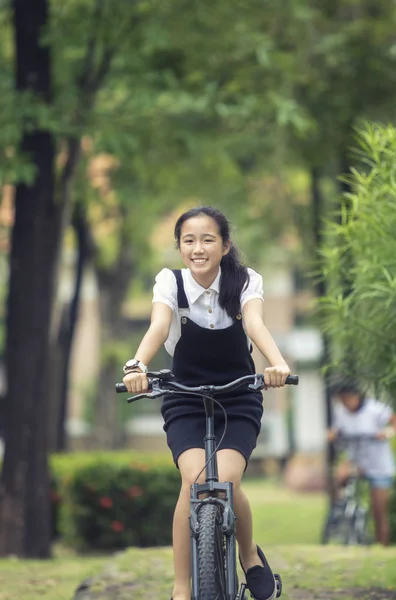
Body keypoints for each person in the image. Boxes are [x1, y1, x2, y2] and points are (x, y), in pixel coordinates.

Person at [122, 206, 291, 600]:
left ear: (225, 245)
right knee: (194, 481)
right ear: (180, 248)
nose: (198, 248)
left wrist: (277, 363)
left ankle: (248, 555)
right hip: (185, 398)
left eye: (208, 239)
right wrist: (137, 364)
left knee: (227, 482)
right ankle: (183, 588)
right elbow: (159, 326)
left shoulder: (245, 281)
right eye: (189, 241)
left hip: (237, 396)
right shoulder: (170, 283)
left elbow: (254, 324)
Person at [327, 378, 396, 546]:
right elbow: (337, 430)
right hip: (356, 460)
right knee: (340, 474)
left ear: (356, 396)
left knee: (379, 510)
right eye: (342, 400)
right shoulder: (340, 412)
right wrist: (332, 434)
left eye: (347, 399)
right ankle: (341, 510)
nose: (345, 403)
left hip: (379, 464)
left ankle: (382, 545)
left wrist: (386, 432)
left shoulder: (375, 410)